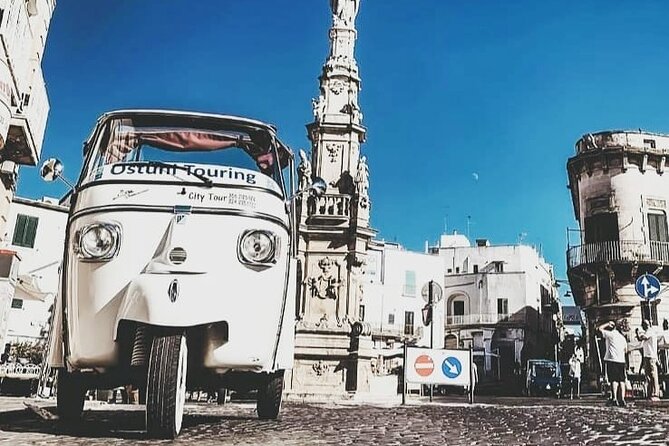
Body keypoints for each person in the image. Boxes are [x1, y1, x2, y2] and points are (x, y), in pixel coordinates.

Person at [598, 319, 629, 406]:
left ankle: (614, 398)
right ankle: (622, 398)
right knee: (622, 380)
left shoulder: (611, 334)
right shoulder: (622, 338)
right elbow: (626, 350)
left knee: (614, 380)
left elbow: (599, 329)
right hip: (621, 360)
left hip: (612, 359)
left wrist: (607, 323)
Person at [637, 319, 660, 401]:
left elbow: (642, 338)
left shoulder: (649, 331)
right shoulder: (648, 331)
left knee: (652, 375)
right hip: (647, 356)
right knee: (648, 376)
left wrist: (637, 334)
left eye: (643, 325)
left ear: (646, 325)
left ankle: (654, 393)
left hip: (651, 356)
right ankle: (650, 393)